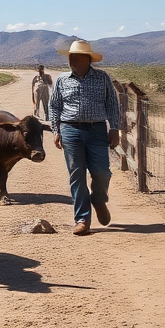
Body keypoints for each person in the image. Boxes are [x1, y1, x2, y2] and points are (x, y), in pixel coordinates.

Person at [47, 40, 121, 236]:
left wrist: (114, 128)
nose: (72, 60)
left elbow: (112, 104)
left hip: (97, 130)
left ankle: (98, 199)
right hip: (70, 130)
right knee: (76, 175)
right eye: (70, 57)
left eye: (76, 57)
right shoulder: (62, 80)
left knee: (102, 172)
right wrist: (56, 130)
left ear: (88, 59)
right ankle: (82, 219)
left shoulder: (102, 78)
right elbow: (54, 106)